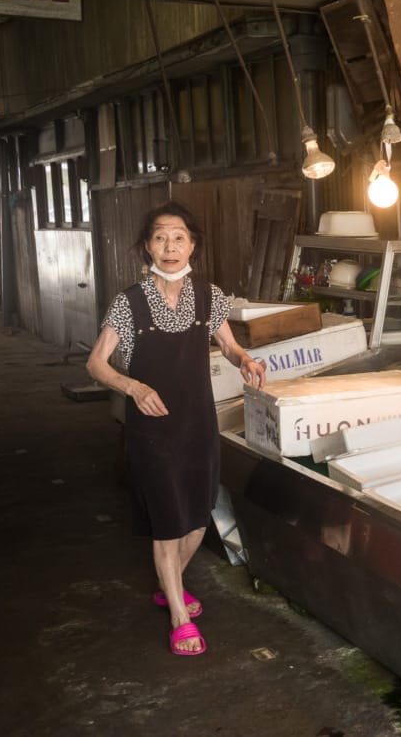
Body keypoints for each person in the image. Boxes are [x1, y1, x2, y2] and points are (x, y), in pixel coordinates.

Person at [87, 201, 266, 656]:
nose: (170, 246)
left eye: (179, 237)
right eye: (161, 237)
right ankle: (178, 616)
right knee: (168, 520)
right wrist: (132, 386)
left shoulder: (209, 296)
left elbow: (227, 345)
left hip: (198, 423)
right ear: (147, 245)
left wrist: (244, 358)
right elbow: (96, 363)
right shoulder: (128, 302)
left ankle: (171, 585)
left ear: (193, 244)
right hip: (152, 430)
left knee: (198, 513)